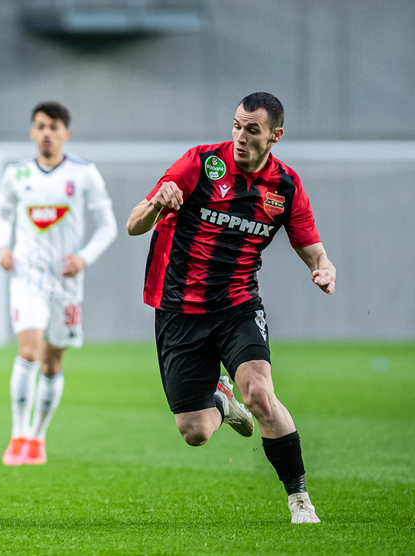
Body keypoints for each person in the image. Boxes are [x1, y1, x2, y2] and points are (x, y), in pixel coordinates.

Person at [125, 92, 336, 524]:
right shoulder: (200, 164)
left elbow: (312, 248)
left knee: (259, 394)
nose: (240, 136)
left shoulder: (286, 187)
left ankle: (300, 499)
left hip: (237, 303)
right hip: (180, 307)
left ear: (275, 136)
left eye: (252, 130)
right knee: (195, 432)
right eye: (237, 126)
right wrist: (157, 202)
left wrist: (323, 267)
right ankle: (221, 399)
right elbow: (134, 225)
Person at [0, 102, 117, 466]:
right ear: (32, 132)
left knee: (52, 363)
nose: (47, 132)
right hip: (27, 276)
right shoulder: (16, 174)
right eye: (41, 126)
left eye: (54, 126)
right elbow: (2, 214)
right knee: (29, 351)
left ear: (66, 133)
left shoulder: (84, 174)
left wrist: (84, 258)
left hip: (66, 281)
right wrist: (3, 247)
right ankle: (17, 435)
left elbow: (108, 225)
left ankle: (37, 438)